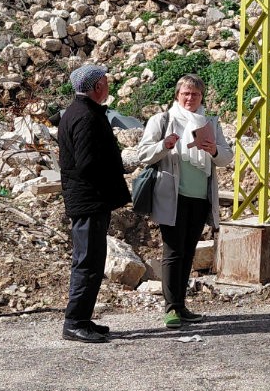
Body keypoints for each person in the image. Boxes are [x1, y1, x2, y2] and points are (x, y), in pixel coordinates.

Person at [134, 73, 230, 329]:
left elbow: (227, 156)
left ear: (201, 97)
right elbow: (142, 153)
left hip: (199, 198)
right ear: (177, 95)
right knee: (174, 250)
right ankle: (171, 307)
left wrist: (214, 150)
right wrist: (164, 146)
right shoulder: (163, 120)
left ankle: (181, 304)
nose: (190, 98)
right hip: (172, 195)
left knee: (188, 252)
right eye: (186, 94)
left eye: (195, 94)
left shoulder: (210, 122)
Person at [57, 64, 131, 343]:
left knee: (92, 260)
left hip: (89, 199)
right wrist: (116, 170)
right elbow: (88, 163)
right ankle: (74, 321)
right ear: (97, 86)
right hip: (89, 200)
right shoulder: (86, 116)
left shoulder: (80, 112)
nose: (108, 84)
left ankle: (83, 319)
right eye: (106, 80)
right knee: (87, 262)